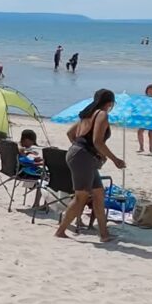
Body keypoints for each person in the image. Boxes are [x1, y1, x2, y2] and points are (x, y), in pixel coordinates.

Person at [54, 88, 125, 242]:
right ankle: (60, 231)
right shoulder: (102, 114)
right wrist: (114, 159)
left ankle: (104, 235)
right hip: (83, 158)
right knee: (81, 197)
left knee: (99, 195)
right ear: (110, 102)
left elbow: (70, 134)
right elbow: (97, 141)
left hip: (80, 155)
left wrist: (83, 149)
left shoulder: (87, 114)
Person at [134, 83, 152, 154]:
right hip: (145, 118)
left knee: (151, 133)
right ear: (146, 91)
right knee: (140, 131)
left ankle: (150, 150)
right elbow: (139, 107)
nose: (151, 92)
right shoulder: (144, 98)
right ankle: (141, 147)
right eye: (149, 90)